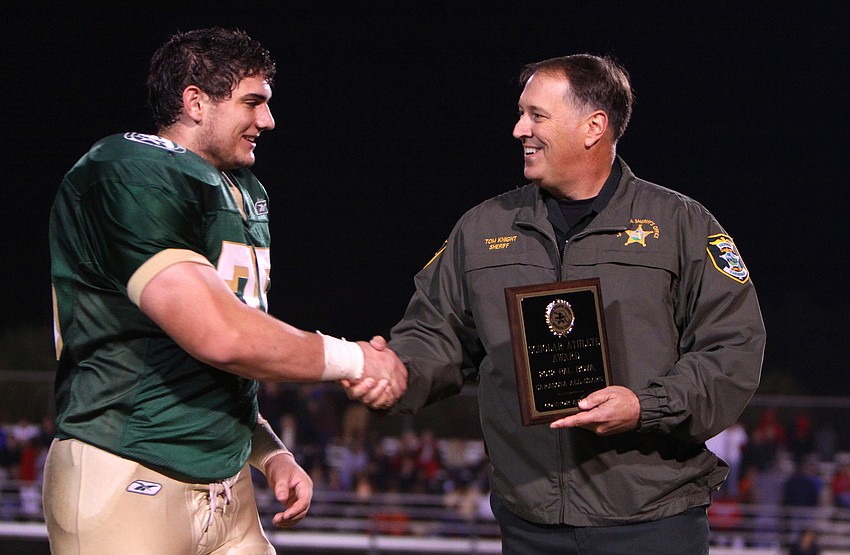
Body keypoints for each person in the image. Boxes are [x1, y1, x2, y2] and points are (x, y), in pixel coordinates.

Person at [349, 54, 765, 554]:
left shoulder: (681, 225)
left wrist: (645, 407)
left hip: (653, 519)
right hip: (529, 524)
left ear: (594, 127)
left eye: (537, 115)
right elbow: (436, 334)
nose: (519, 129)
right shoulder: (482, 228)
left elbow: (733, 350)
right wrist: (397, 372)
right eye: (521, 113)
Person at [46, 28, 406, 555]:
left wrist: (269, 451)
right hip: (128, 470)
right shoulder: (130, 170)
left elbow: (212, 363)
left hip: (228, 488)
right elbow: (219, 336)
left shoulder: (239, 189)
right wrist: (356, 360)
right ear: (195, 102)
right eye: (252, 102)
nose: (268, 119)